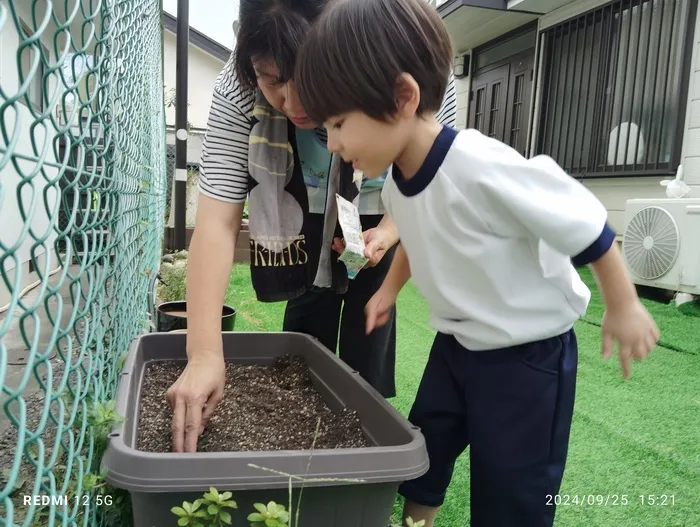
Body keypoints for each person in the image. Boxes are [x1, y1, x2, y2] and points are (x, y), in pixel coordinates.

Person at [293, 0, 661, 525]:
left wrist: (623, 304)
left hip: (527, 357)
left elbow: (580, 215)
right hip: (457, 346)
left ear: (402, 97)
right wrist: (389, 290)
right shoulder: (397, 181)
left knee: (513, 491)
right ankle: (417, 518)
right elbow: (417, 240)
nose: (332, 143)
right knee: (424, 450)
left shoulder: (479, 165)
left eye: (338, 123)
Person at [165, 0, 458, 453]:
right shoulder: (237, 84)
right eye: (273, 81)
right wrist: (203, 353)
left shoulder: (401, 52)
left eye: (308, 76)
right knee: (306, 303)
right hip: (298, 203)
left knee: (370, 318)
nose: (295, 104)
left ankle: (366, 426)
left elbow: (428, 166)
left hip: (380, 199)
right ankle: (301, 402)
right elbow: (218, 222)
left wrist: (392, 229)